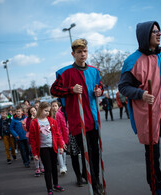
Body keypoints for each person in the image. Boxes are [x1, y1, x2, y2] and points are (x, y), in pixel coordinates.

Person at [118, 21, 161, 195]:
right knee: (152, 157)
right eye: (154, 31)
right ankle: (157, 188)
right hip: (147, 115)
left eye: (159, 30)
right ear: (144, 35)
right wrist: (140, 94)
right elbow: (124, 87)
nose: (159, 34)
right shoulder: (131, 61)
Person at [50, 38, 104, 195]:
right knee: (86, 153)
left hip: (93, 119)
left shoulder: (94, 71)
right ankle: (93, 183)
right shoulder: (65, 72)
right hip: (77, 121)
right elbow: (54, 90)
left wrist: (99, 90)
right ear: (73, 54)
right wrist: (71, 90)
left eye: (85, 51)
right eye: (79, 52)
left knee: (95, 153)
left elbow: (100, 85)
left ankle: (96, 181)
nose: (83, 54)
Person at [29, 102, 66, 195]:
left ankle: (56, 184)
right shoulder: (34, 122)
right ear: (40, 109)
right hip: (43, 148)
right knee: (48, 168)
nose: (47, 113)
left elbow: (57, 134)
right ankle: (49, 188)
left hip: (52, 147)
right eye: (45, 110)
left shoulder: (52, 121)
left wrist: (60, 146)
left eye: (48, 111)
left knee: (54, 167)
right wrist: (35, 153)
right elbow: (32, 139)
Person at [22, 106, 44, 176]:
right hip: (32, 139)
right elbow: (28, 128)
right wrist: (32, 120)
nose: (33, 112)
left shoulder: (40, 117)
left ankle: (42, 167)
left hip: (40, 138)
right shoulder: (28, 119)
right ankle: (37, 168)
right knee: (35, 154)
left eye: (34, 110)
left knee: (41, 154)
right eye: (31, 111)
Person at [55, 104, 68, 175]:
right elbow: (59, 129)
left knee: (64, 152)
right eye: (52, 106)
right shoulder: (57, 114)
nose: (54, 107)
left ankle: (64, 164)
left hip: (67, 136)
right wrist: (62, 141)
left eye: (55, 106)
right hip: (58, 136)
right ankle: (62, 166)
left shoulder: (66, 112)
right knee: (59, 151)